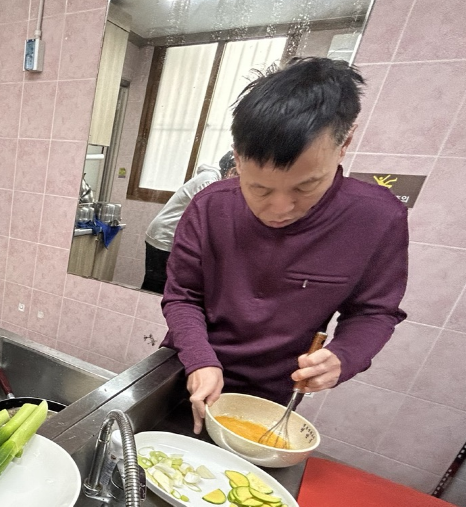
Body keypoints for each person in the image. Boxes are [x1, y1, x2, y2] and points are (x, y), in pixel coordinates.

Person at [161, 57, 408, 434]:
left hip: (271, 395)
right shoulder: (211, 205)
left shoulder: (378, 218)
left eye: (305, 187)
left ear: (345, 144)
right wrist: (199, 360)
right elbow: (183, 296)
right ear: (238, 157)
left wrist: (344, 357)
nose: (279, 209)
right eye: (258, 188)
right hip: (182, 370)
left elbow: (374, 311)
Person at [141, 151, 237, 294]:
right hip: (165, 235)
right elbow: (211, 218)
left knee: (163, 286)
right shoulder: (209, 181)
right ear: (232, 171)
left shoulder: (217, 182)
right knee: (156, 286)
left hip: (170, 235)